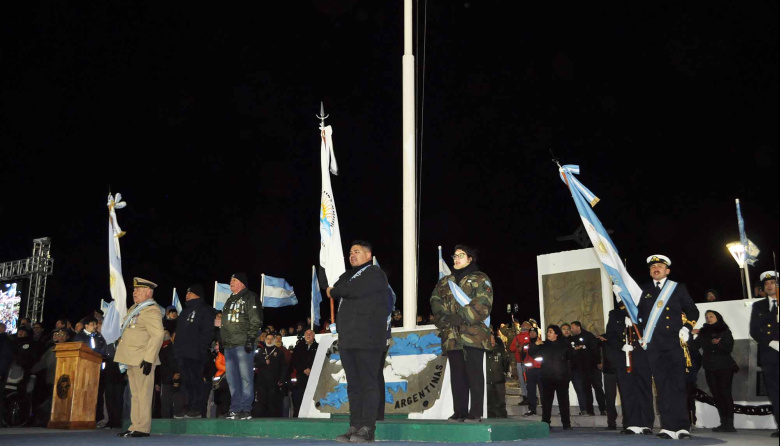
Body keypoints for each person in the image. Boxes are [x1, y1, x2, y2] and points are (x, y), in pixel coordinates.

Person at [326, 240, 391, 443]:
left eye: (357, 251)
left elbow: (343, 291)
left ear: (368, 255)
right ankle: (354, 426)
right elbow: (334, 286)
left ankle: (367, 428)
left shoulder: (374, 274)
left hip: (369, 339)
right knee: (353, 385)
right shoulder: (348, 275)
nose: (351, 255)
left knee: (368, 384)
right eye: (350, 252)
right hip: (348, 339)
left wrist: (334, 291)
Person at [635, 255, 699, 440]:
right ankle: (668, 427)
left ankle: (682, 427)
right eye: (653, 267)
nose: (656, 269)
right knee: (662, 386)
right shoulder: (645, 290)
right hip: (654, 344)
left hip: (673, 342)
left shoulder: (677, 288)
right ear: (650, 271)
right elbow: (638, 313)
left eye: (660, 266)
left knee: (678, 385)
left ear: (667, 270)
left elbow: (693, 310)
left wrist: (687, 328)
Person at [430, 244, 493, 424]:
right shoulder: (445, 281)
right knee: (457, 374)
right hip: (451, 335)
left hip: (473, 334)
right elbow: (435, 300)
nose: (456, 258)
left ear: (470, 258)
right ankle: (459, 411)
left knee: (474, 373)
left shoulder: (480, 278)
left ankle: (475, 412)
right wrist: (444, 319)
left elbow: (483, 304)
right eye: (455, 255)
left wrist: (461, 317)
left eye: (461, 255)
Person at [113, 277, 165, 438]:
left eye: (138, 290)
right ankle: (135, 425)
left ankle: (142, 428)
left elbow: (158, 335)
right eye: (134, 290)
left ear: (148, 292)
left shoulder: (150, 310)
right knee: (135, 395)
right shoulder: (135, 308)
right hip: (131, 358)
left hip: (143, 359)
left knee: (143, 394)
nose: (134, 292)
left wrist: (149, 359)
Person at [220, 272, 263, 420]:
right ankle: (235, 408)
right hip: (229, 345)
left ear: (242, 283)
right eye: (230, 280)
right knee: (232, 379)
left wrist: (251, 339)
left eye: (234, 280)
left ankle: (245, 408)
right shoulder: (229, 300)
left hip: (243, 344)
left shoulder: (250, 297)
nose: (230, 282)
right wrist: (222, 340)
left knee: (245, 377)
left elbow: (256, 319)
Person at [173, 284, 216, 419]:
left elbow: (207, 332)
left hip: (196, 353)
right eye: (186, 293)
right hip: (182, 353)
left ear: (197, 294)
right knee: (185, 382)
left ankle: (196, 409)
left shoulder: (205, 310)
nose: (187, 295)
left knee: (196, 381)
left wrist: (202, 350)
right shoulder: (184, 312)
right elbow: (179, 333)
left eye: (189, 293)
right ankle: (186, 408)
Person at [690, 310, 734, 431]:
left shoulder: (724, 330)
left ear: (717, 317)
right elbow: (693, 346)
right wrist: (689, 333)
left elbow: (728, 348)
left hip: (724, 367)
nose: (709, 318)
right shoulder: (703, 333)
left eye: (711, 316)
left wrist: (717, 344)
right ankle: (723, 423)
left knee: (725, 393)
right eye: (707, 317)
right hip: (709, 367)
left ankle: (729, 424)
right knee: (716, 394)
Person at [749, 271, 779, 438]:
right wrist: (771, 342)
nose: (768, 286)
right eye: (766, 284)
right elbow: (754, 330)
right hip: (770, 355)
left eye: (772, 283)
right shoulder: (758, 306)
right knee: (775, 392)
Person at [528, 325, 572, 430]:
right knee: (547, 402)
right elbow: (531, 353)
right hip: (547, 377)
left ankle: (566, 424)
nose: (548, 333)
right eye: (548, 331)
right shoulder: (543, 345)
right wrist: (534, 345)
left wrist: (568, 374)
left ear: (556, 334)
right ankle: (546, 422)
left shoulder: (564, 344)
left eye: (550, 332)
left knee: (564, 402)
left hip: (561, 378)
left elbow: (571, 357)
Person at [569, 321, 606, 416]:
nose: (571, 329)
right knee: (586, 390)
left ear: (578, 327)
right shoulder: (572, 339)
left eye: (573, 327)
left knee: (598, 388)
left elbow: (596, 349)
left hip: (593, 367)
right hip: (582, 369)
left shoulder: (588, 336)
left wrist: (598, 362)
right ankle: (590, 410)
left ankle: (603, 409)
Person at [253, 332, 288, 417]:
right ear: (265, 340)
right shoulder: (260, 351)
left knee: (273, 402)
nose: (269, 341)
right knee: (262, 401)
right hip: (262, 382)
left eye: (271, 339)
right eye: (268, 339)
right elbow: (255, 363)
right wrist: (263, 362)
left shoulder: (279, 352)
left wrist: (282, 379)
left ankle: (273, 419)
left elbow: (284, 366)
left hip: (274, 381)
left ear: (274, 340)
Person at [291, 329, 318, 417]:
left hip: (313, 376)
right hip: (300, 376)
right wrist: (303, 369)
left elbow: (319, 360)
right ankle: (297, 414)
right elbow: (294, 360)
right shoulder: (298, 346)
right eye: (307, 333)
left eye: (310, 333)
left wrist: (311, 369)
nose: (308, 335)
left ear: (313, 336)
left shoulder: (318, 347)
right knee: (299, 396)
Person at [485, 332, 509, 418]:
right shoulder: (483, 351)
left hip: (499, 380)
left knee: (500, 401)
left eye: (493, 339)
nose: (492, 341)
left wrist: (503, 372)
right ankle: (490, 417)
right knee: (489, 402)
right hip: (487, 381)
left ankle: (502, 417)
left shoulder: (500, 350)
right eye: (490, 339)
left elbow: (506, 362)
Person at [521, 327, 543, 417]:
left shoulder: (541, 343)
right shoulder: (526, 344)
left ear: (537, 334)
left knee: (543, 391)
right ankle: (532, 410)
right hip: (530, 371)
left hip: (540, 370)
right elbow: (523, 354)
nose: (532, 334)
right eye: (531, 332)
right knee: (531, 391)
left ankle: (545, 409)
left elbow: (536, 354)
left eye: (534, 332)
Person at [508, 321, 531, 406]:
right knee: (521, 380)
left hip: (528, 361)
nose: (523, 328)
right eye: (522, 326)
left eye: (525, 327)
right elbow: (511, 348)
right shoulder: (517, 336)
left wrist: (522, 347)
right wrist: (517, 346)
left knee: (529, 380)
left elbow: (531, 346)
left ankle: (532, 397)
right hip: (519, 362)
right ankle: (525, 396)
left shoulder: (530, 335)